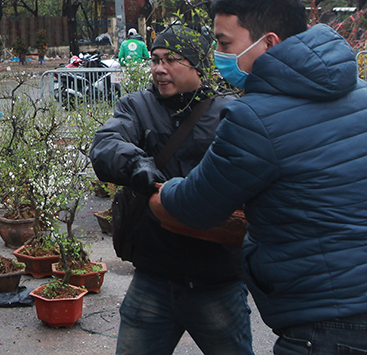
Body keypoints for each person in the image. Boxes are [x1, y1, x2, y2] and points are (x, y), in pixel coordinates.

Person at [152, 0, 367, 355]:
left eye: (225, 44)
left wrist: (162, 194)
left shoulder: (254, 117)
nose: (218, 57)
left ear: (269, 42)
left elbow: (198, 206)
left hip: (318, 331)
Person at [89, 26, 252, 355]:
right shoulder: (137, 107)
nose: (159, 69)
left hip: (218, 278)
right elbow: (106, 144)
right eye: (155, 60)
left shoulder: (230, 113)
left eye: (171, 60)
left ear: (198, 66)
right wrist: (137, 164)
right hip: (154, 277)